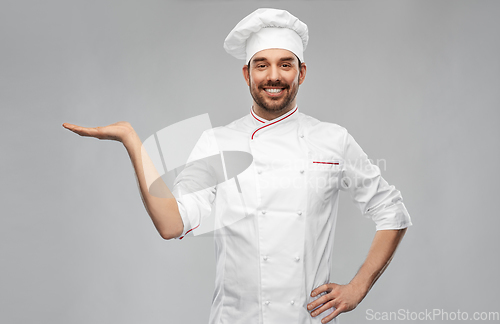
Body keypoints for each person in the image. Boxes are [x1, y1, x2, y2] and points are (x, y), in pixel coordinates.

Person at [63, 8, 412, 324]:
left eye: (285, 64)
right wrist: (132, 142)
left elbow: (391, 211)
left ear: (301, 73)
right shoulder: (217, 142)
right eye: (261, 64)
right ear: (246, 73)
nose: (273, 76)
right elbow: (171, 224)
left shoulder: (333, 140)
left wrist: (359, 286)